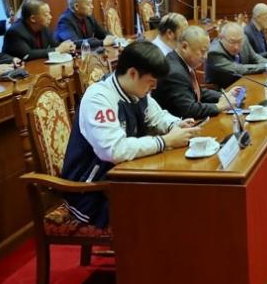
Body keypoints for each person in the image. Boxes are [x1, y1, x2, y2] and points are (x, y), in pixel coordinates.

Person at [60, 41, 199, 227]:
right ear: (133, 73)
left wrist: (176, 125)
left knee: (177, 196)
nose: (154, 88)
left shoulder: (135, 90)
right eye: (151, 83)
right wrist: (164, 141)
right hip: (91, 192)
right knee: (163, 210)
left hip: (124, 178)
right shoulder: (99, 98)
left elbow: (157, 117)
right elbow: (113, 151)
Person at [153, 26, 239, 119]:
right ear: (184, 47)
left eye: (207, 51)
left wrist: (224, 96)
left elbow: (196, 92)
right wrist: (218, 106)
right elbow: (189, 109)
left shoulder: (182, 61)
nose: (205, 56)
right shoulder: (175, 72)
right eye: (202, 51)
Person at [205, 21, 267, 88]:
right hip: (223, 90)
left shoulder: (243, 39)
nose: (236, 47)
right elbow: (239, 69)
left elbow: (254, 57)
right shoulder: (214, 52)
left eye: (239, 42)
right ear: (221, 38)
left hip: (245, 83)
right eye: (232, 42)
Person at [3, 0, 75, 60]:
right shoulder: (15, 32)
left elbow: (54, 45)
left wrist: (67, 47)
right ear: (33, 18)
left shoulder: (43, 28)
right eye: (46, 15)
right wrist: (57, 50)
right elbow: (27, 55)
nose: (50, 17)